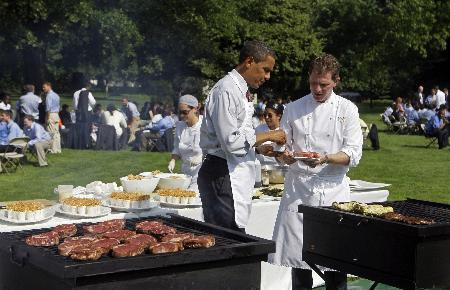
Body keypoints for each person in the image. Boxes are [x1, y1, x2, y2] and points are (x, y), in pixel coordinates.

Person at [266, 54, 363, 290]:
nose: (317, 89)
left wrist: (325, 158)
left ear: (336, 81)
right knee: (299, 265)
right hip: (298, 188)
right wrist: (284, 155)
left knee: (335, 265)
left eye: (324, 84)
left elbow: (353, 153)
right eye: (313, 84)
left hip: (333, 191)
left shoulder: (347, 109)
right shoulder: (294, 107)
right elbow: (282, 147)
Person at [198, 40, 286, 232]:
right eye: (265, 70)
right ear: (249, 61)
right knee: (226, 240)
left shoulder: (241, 90)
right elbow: (230, 141)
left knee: (233, 235)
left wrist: (257, 148)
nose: (267, 76)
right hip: (222, 172)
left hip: (232, 171)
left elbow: (238, 134)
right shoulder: (227, 89)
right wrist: (271, 135)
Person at [168, 95, 203, 191]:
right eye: (180, 112)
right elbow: (177, 148)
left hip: (201, 172)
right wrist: (173, 160)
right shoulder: (180, 126)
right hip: (185, 172)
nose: (182, 115)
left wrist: (202, 158)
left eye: (185, 112)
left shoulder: (205, 125)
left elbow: (215, 148)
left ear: (195, 109)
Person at [255, 101, 284, 166]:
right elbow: (251, 148)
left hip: (279, 170)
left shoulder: (285, 130)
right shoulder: (258, 129)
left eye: (270, 115)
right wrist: (259, 150)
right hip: (261, 168)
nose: (266, 117)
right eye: (265, 115)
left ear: (278, 116)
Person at [42, 82, 61, 153]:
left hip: (51, 115)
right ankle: (58, 149)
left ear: (49, 86)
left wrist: (47, 118)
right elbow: (58, 107)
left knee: (51, 132)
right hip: (56, 114)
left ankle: (52, 149)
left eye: (44, 87)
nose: (43, 89)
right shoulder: (56, 95)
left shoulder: (49, 96)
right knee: (56, 132)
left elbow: (48, 108)